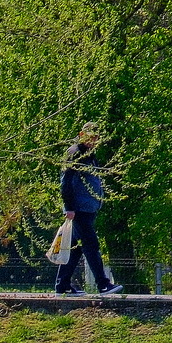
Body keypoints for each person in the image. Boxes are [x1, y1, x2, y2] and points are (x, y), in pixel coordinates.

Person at [55, 126, 122, 297]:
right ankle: (103, 284)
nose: (93, 141)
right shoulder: (74, 153)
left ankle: (62, 285)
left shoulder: (90, 155)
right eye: (91, 137)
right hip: (78, 210)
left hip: (88, 208)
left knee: (76, 248)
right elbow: (66, 182)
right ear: (82, 135)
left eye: (96, 138)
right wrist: (69, 207)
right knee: (91, 245)